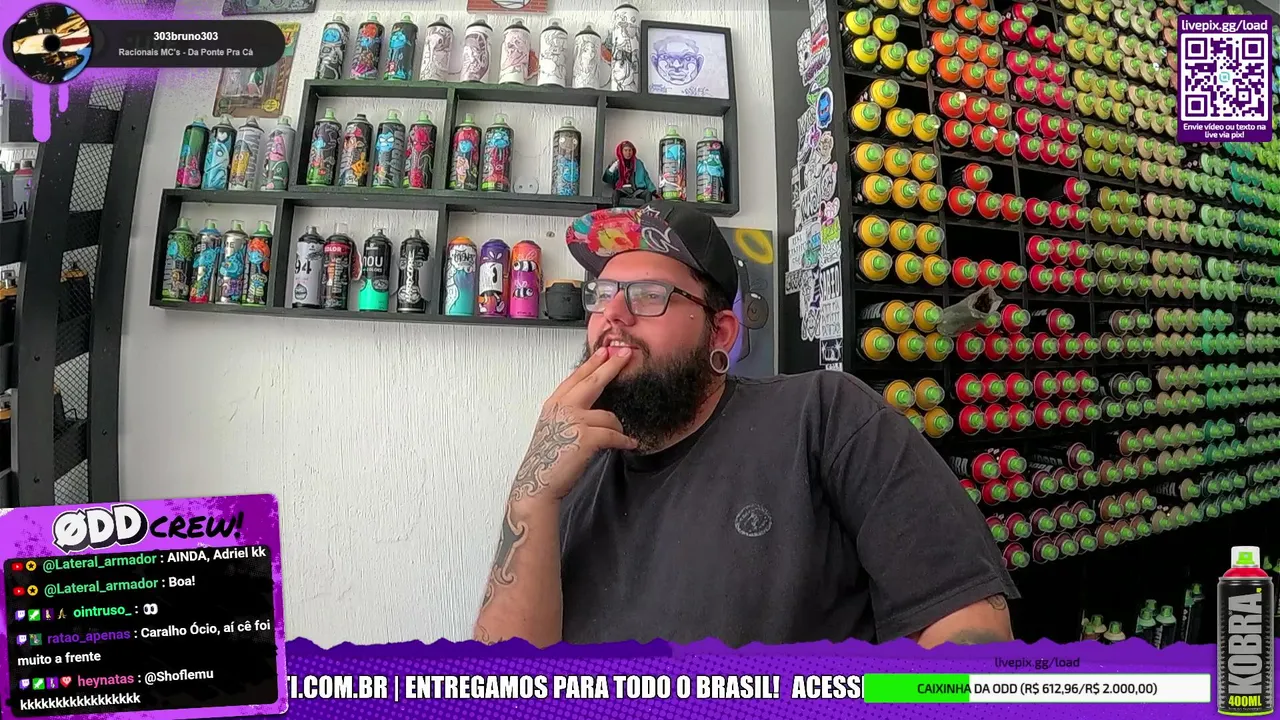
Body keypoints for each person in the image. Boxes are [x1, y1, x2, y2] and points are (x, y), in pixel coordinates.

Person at [473, 202, 1018, 648]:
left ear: (721, 334)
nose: (612, 314)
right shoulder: (570, 467)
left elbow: (968, 635)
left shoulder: (824, 416)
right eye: (601, 294)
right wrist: (532, 494)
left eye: (649, 294)